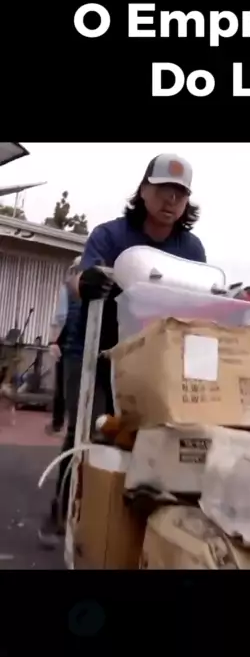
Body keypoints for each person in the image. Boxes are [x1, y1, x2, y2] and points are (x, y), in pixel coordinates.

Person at [38, 153, 207, 549]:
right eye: (163, 189)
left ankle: (119, 513)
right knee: (89, 431)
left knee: (143, 435)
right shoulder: (111, 235)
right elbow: (78, 279)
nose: (171, 200)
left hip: (147, 359)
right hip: (91, 350)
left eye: (180, 193)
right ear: (144, 190)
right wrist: (87, 282)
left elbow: (200, 297)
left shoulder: (190, 248)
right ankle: (63, 509)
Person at [45, 256, 82, 435]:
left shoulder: (67, 288)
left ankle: (59, 424)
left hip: (67, 343)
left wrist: (53, 341)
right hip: (87, 343)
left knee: (62, 385)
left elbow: (60, 318)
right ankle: (76, 426)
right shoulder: (97, 289)